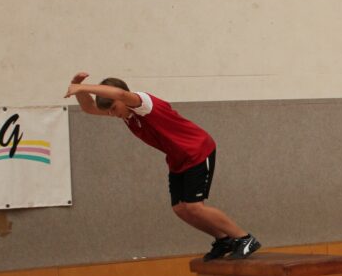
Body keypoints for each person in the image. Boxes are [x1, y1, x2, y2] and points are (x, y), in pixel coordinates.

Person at [64, 73, 260, 262]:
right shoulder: (125, 114)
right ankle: (223, 240)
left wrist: (83, 87)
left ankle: (244, 238)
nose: (112, 114)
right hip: (177, 158)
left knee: (194, 206)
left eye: (114, 108)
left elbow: (121, 95)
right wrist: (77, 87)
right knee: (180, 209)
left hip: (196, 150)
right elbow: (89, 108)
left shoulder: (143, 103)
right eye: (110, 111)